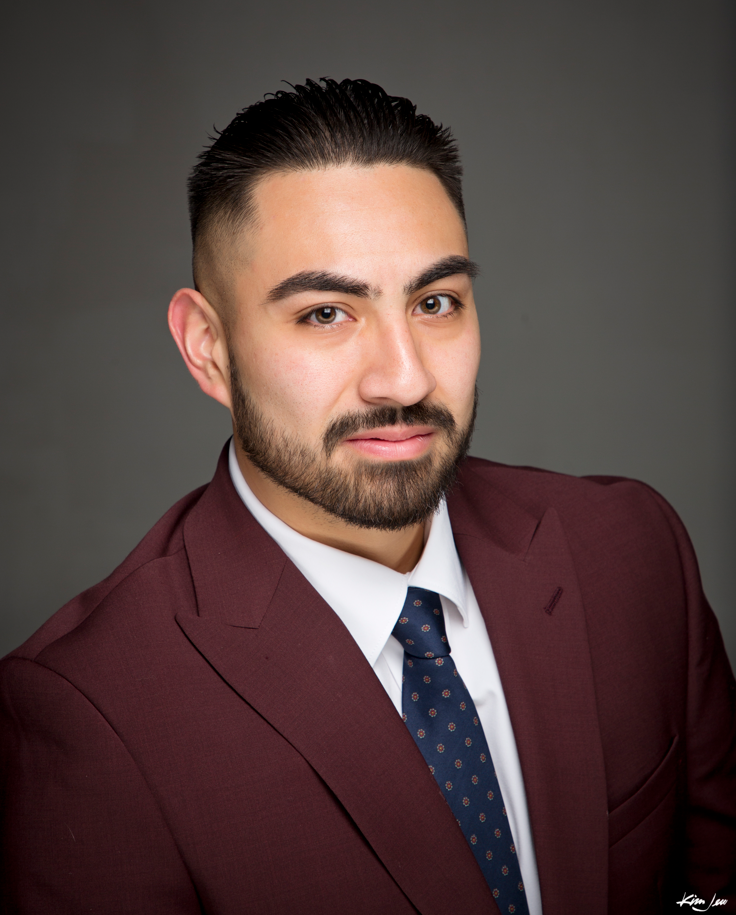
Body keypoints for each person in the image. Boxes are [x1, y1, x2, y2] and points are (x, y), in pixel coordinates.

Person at [1, 78, 734, 915]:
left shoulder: (632, 552)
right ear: (207, 349)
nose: (406, 375)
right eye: (325, 313)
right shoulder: (89, 711)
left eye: (435, 302)